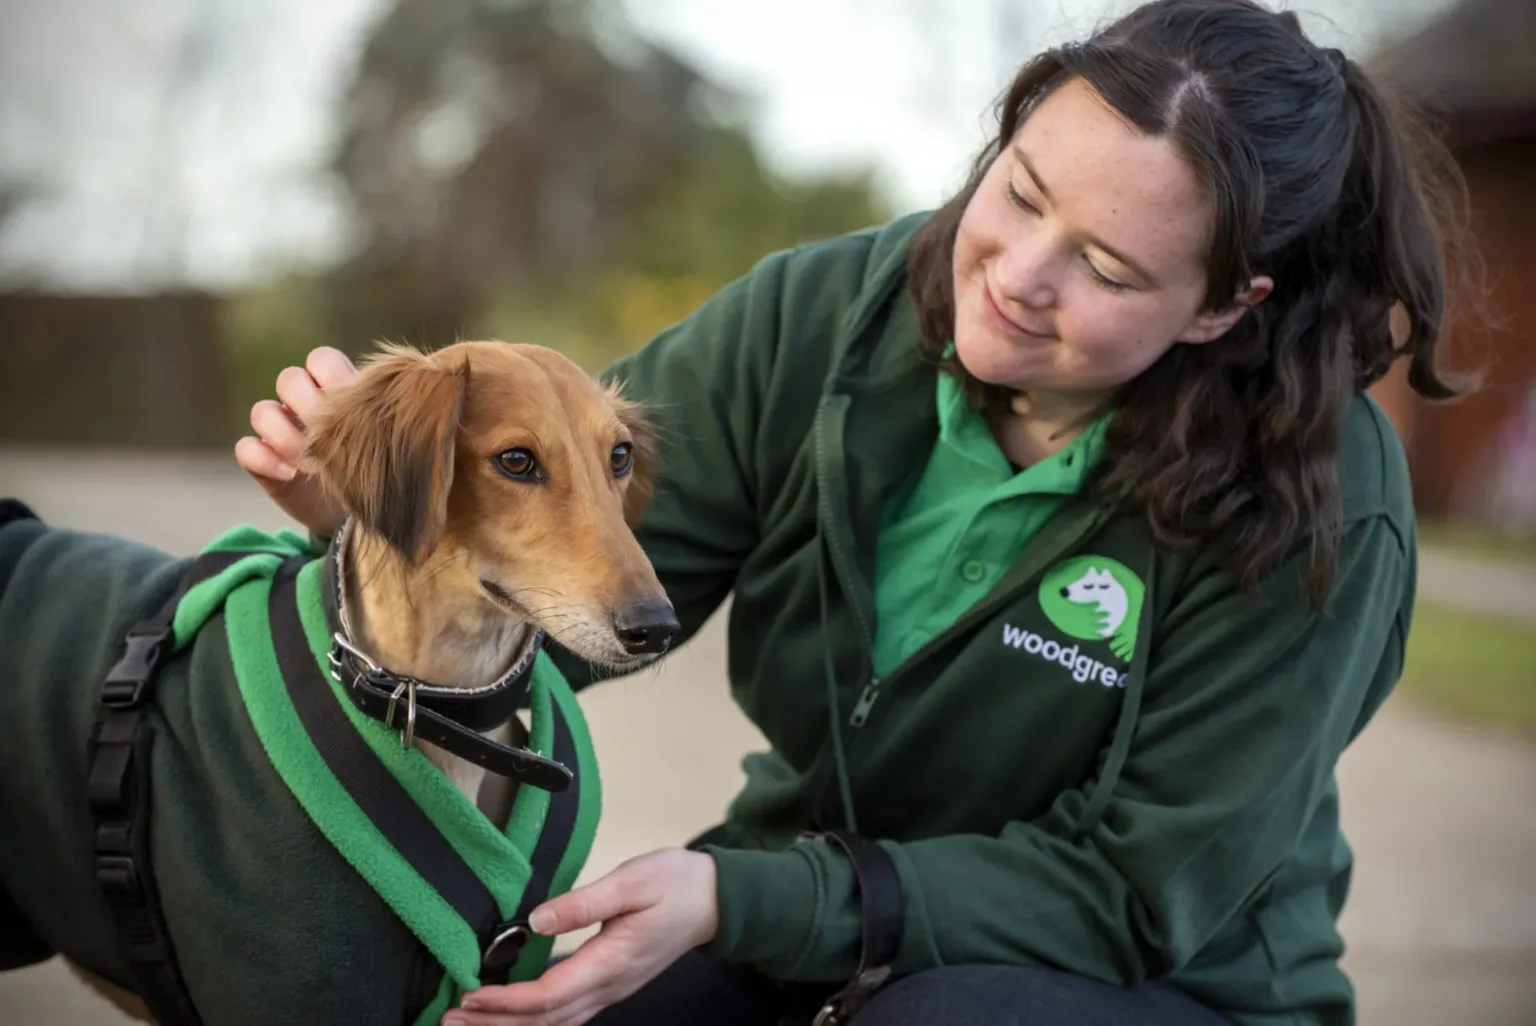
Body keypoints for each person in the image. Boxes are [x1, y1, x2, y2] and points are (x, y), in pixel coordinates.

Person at [236, 1, 1475, 1023]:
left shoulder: (1322, 500)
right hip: (806, 899)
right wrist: (375, 522)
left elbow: (1137, 891)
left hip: (1161, 985)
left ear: (1222, 306)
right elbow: (580, 597)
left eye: (1104, 268)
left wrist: (745, 900)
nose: (1017, 276)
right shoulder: (820, 316)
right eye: (1020, 190)